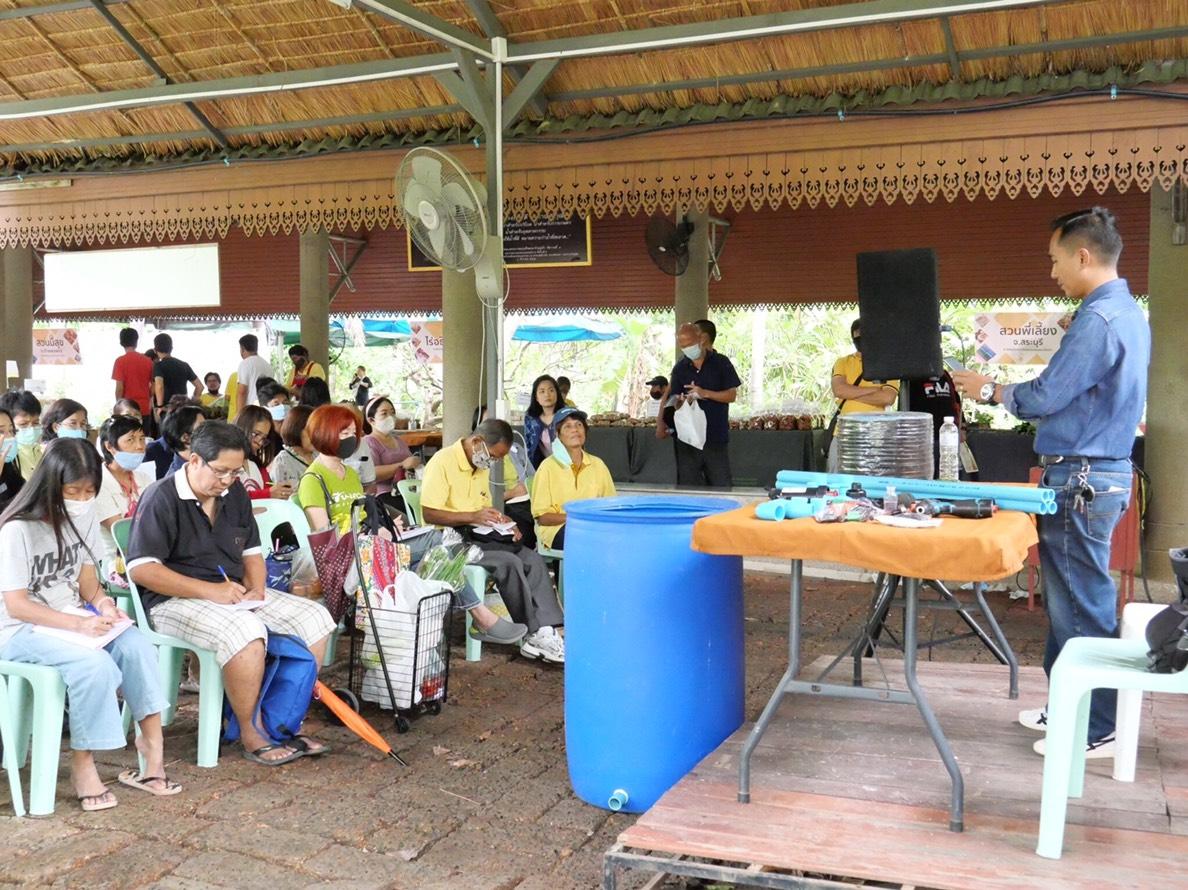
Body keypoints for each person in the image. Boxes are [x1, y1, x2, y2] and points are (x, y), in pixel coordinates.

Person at [952, 207, 1149, 760]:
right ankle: (1069, 703)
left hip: (1082, 475)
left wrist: (990, 390)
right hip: (1093, 472)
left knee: (1083, 604)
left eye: (1056, 260)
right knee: (1068, 598)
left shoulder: (1099, 319)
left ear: (1083, 256)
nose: (1052, 271)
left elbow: (1047, 394)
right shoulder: (1125, 312)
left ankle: (1098, 725)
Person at [127, 421, 336, 766]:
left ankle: (281, 723)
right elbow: (142, 569)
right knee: (246, 632)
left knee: (314, 618)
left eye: (235, 472)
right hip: (171, 601)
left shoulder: (234, 493)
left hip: (231, 592)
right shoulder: (161, 496)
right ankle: (250, 731)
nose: (227, 480)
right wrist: (210, 591)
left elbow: (252, 553)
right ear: (195, 460)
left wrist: (257, 588)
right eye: (220, 471)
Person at [0, 438, 178, 809]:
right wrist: (76, 625)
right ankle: (83, 761)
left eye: (89, 491)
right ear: (50, 484)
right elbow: (16, 606)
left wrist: (104, 605)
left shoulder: (81, 519)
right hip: (18, 630)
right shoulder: (17, 530)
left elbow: (87, 583)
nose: (81, 499)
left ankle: (152, 748)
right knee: (94, 666)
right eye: (72, 491)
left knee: (135, 645)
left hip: (68, 620)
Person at [421, 420, 565, 664]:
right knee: (508, 562)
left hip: (478, 534)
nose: (494, 462)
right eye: (494, 456)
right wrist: (472, 516)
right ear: (478, 442)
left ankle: (547, 628)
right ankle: (532, 632)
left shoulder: (480, 466)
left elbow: (483, 507)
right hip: (448, 540)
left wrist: (502, 521)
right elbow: (429, 514)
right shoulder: (442, 462)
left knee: (531, 557)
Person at [655, 320, 741, 487]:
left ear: (701, 339)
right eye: (683, 346)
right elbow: (671, 398)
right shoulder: (680, 367)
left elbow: (731, 395)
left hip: (714, 436)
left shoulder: (721, 363)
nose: (687, 349)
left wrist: (705, 393)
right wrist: (680, 402)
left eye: (690, 344)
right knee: (689, 487)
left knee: (720, 485)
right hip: (687, 438)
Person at [531, 409, 616, 550]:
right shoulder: (547, 467)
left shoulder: (597, 464)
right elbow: (542, 517)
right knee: (589, 540)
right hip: (557, 529)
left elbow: (610, 505)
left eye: (579, 425)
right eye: (568, 426)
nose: (575, 430)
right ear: (558, 435)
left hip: (593, 527)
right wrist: (577, 518)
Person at [826, 319, 900, 472]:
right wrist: (874, 390)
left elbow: (888, 398)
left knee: (873, 478)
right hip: (844, 433)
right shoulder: (843, 362)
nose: (861, 340)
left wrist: (851, 392)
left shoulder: (888, 364)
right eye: (857, 337)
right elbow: (839, 390)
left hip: (875, 435)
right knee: (837, 479)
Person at [364, 396, 419, 513]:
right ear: (371, 420)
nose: (390, 417)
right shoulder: (369, 442)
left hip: (408, 490)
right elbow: (372, 473)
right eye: (384, 414)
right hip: (384, 495)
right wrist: (402, 465)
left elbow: (410, 464)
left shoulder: (399, 440)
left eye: (392, 413)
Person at [906, 370, 963, 478]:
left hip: (947, 435)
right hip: (922, 437)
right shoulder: (913, 374)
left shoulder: (944, 374)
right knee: (925, 474)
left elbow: (955, 401)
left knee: (947, 473)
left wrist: (962, 426)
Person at [233, 405, 294, 501]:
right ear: (242, 428)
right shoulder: (227, 464)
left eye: (264, 438)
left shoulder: (256, 466)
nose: (259, 442)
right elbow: (232, 498)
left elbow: (268, 490)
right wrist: (268, 493)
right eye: (256, 434)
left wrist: (278, 492)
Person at [145, 403, 205, 480]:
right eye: (202, 427)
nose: (210, 430)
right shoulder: (176, 479)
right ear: (186, 438)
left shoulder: (209, 460)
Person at [152, 334, 201, 420]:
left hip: (167, 410)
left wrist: (160, 406)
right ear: (171, 348)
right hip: (183, 409)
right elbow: (199, 386)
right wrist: (192, 403)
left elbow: (159, 386)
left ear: (155, 350)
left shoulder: (158, 366)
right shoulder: (184, 365)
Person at [268, 405, 314, 491]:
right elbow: (287, 496)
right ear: (296, 430)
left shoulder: (320, 454)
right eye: (310, 431)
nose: (315, 436)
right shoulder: (283, 461)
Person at [0, 390, 43, 480]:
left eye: (36, 423)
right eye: (23, 424)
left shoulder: (41, 451)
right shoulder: (8, 456)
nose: (31, 429)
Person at [111, 327, 154, 416]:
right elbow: (153, 386)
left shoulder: (120, 361)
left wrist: (118, 406)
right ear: (136, 342)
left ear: (121, 343)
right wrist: (148, 396)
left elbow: (119, 388)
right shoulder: (148, 361)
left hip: (127, 409)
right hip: (144, 407)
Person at [523, 374, 562, 470]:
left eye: (551, 390)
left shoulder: (566, 416)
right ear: (536, 397)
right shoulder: (531, 419)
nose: (547, 395)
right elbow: (528, 447)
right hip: (542, 468)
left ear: (557, 393)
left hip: (567, 467)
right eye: (542, 391)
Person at [234, 334, 273, 417]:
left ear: (242, 348)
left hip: (251, 411)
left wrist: (239, 415)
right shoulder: (267, 365)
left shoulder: (245, 364)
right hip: (267, 409)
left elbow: (242, 392)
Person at [0, 408, 26, 512]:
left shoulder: (8, 466)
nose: (10, 437)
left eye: (11, 430)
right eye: (1, 431)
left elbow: (24, 494)